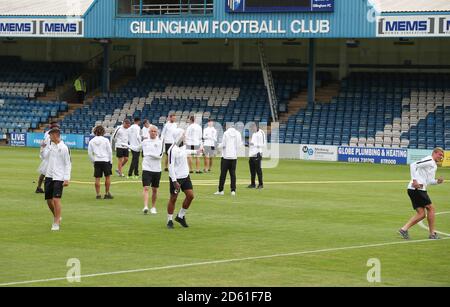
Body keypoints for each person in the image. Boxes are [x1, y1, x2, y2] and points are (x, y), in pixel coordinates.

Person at [399, 148, 445, 240]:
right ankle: (432, 234)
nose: (441, 157)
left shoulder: (434, 165)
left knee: (421, 214)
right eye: (440, 155)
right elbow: (413, 165)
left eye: (442, 156)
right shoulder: (429, 160)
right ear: (434, 153)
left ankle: (403, 229)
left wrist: (437, 181)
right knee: (431, 208)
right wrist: (414, 180)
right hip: (417, 188)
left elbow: (429, 181)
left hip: (416, 189)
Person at [167, 128, 202, 229]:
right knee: (173, 199)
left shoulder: (182, 146)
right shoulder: (172, 150)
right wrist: (174, 181)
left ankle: (180, 216)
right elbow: (170, 166)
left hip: (185, 176)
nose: (185, 137)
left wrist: (196, 151)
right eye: (183, 135)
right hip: (176, 179)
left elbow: (185, 152)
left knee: (190, 196)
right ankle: (169, 220)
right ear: (179, 137)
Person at [41, 128, 71, 231]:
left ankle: (56, 222)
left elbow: (68, 163)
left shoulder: (64, 148)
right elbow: (43, 157)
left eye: (50, 135)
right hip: (49, 176)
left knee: (56, 199)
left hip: (59, 177)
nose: (49, 137)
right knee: (49, 201)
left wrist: (66, 178)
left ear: (55, 135)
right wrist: (43, 148)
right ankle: (57, 216)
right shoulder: (50, 146)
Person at [141, 125, 163, 215]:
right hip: (146, 168)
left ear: (157, 132)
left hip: (157, 169)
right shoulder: (145, 141)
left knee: (154, 189)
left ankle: (153, 207)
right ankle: (145, 206)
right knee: (146, 187)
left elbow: (160, 156)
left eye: (155, 131)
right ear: (149, 132)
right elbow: (137, 148)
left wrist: (149, 154)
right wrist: (127, 145)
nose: (153, 133)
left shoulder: (160, 142)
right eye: (151, 131)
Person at [215, 125, 242, 196]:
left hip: (225, 157)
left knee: (223, 174)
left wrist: (218, 146)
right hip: (234, 157)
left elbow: (223, 144)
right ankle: (233, 190)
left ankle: (221, 190)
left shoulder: (226, 133)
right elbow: (239, 145)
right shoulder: (238, 133)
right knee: (233, 174)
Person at [88, 125, 114, 200]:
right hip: (105, 160)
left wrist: (93, 161)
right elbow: (109, 151)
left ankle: (98, 194)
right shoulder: (105, 140)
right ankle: (106, 193)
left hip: (97, 161)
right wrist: (111, 161)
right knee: (107, 177)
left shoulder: (91, 141)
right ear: (103, 132)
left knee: (97, 178)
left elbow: (90, 153)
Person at [35, 122, 59, 193]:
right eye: (56, 128)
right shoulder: (51, 135)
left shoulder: (47, 133)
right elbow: (46, 144)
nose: (57, 129)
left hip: (48, 155)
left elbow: (43, 144)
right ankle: (47, 188)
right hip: (50, 155)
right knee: (49, 173)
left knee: (44, 173)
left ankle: (39, 187)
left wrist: (42, 153)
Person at [248, 123, 266, 189]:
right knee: (252, 170)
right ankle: (253, 184)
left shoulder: (261, 133)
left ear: (256, 127)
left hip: (258, 153)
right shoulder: (253, 133)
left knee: (258, 170)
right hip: (252, 154)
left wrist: (253, 144)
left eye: (252, 128)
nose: (252, 129)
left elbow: (263, 144)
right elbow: (252, 143)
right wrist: (248, 144)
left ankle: (261, 184)